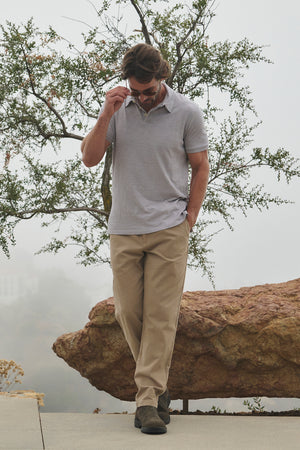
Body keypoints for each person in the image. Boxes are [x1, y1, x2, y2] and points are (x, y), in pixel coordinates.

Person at [81, 43, 209, 435]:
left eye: (147, 90)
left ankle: (147, 402)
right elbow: (89, 157)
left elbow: (201, 166)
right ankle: (159, 387)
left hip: (169, 227)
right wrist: (107, 112)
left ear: (161, 78)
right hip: (124, 226)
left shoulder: (186, 112)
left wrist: (190, 215)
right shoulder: (118, 111)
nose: (141, 97)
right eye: (134, 90)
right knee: (128, 312)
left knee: (160, 315)